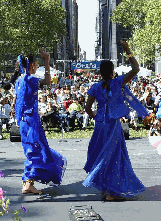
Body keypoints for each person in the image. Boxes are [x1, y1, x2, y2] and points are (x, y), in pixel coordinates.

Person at [83, 40, 149, 201]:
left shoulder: (95, 87)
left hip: (100, 126)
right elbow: (136, 69)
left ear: (100, 73)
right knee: (113, 156)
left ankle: (106, 189)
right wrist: (127, 49)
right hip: (113, 125)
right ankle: (111, 193)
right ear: (113, 71)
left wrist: (97, 118)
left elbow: (87, 108)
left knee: (102, 155)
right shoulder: (118, 83)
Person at [11, 50, 67, 194]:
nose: (37, 66)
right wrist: (47, 61)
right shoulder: (29, 79)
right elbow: (48, 82)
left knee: (32, 149)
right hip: (30, 120)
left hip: (23, 120)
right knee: (36, 150)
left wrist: (17, 117)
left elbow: (15, 102)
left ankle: (27, 182)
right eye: (36, 64)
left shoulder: (19, 80)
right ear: (33, 65)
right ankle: (28, 182)